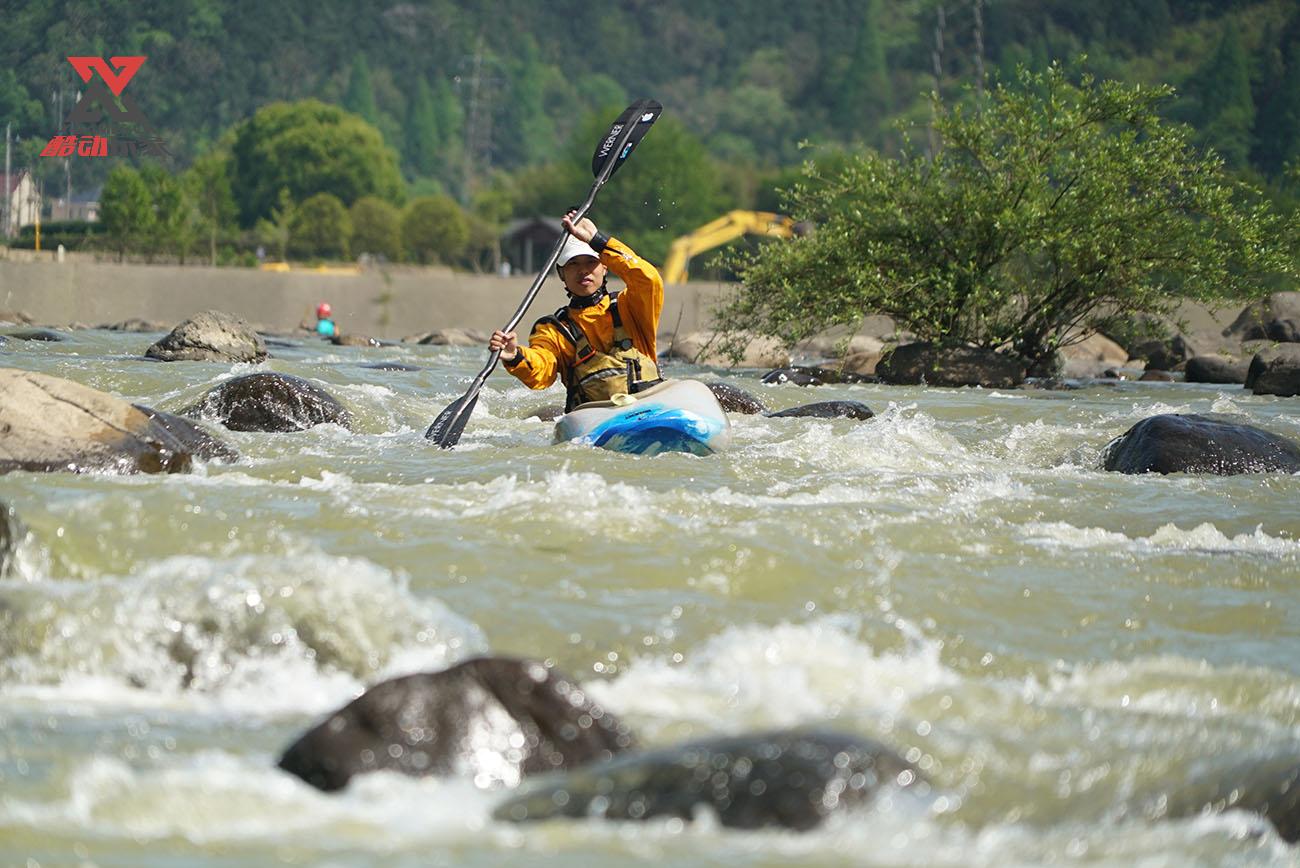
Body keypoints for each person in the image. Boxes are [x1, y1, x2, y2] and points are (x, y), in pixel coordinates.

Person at [489, 211, 663, 411]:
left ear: (605, 266)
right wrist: (515, 355)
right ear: (561, 273)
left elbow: (649, 279)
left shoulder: (630, 305)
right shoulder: (554, 329)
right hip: (595, 416)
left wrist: (599, 242)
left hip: (647, 405)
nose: (583, 270)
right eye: (573, 263)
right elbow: (542, 371)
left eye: (591, 262)